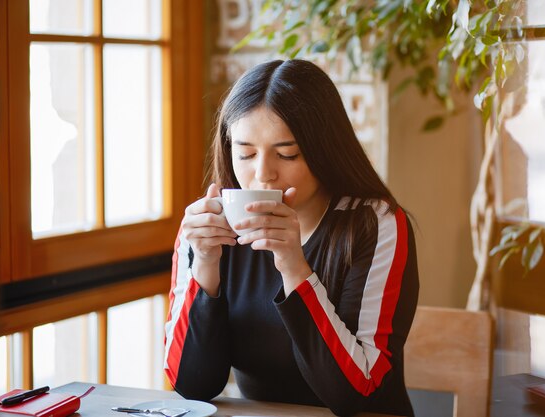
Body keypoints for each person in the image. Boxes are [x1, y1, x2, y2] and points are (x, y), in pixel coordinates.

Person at [164, 59, 419, 417]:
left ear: (325, 149)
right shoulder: (210, 225)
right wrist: (205, 264)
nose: (263, 175)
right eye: (246, 153)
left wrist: (294, 267)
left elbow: (355, 392)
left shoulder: (374, 224)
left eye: (287, 154)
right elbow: (191, 386)